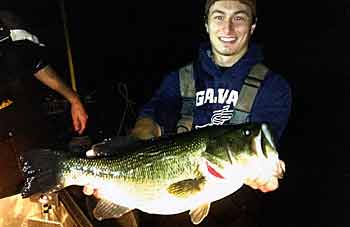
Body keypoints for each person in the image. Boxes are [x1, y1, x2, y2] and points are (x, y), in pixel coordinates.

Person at [84, 0, 291, 226]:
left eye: (239, 18)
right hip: (170, 207)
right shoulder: (180, 78)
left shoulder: (273, 87)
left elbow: (263, 150)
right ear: (206, 24)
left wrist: (263, 172)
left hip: (239, 211)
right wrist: (124, 151)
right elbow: (153, 119)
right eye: (219, 17)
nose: (228, 28)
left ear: (252, 26)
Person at [0, 10, 88, 199]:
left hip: (17, 114)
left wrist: (74, 99)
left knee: (37, 178)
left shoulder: (11, 31)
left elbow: (36, 65)